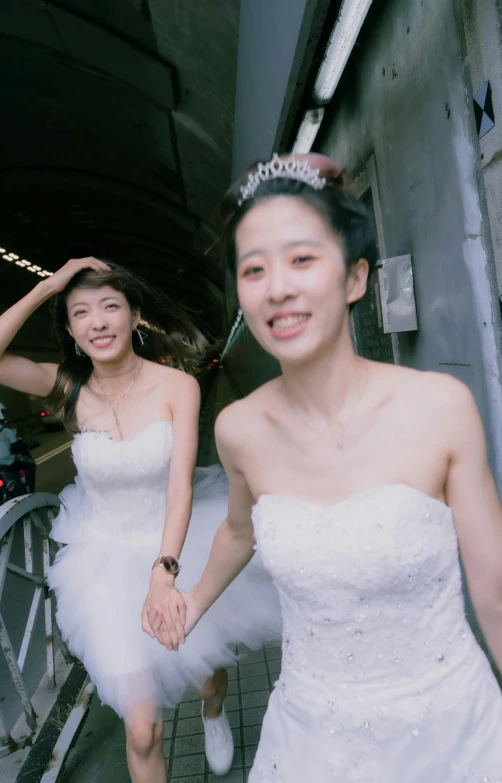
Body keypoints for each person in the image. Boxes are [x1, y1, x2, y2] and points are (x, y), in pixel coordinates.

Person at [151, 153, 502, 782]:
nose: (278, 286)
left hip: (450, 731)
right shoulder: (239, 430)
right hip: (313, 733)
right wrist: (191, 601)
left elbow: (496, 590)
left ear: (356, 278)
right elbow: (240, 528)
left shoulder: (442, 408)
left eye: (303, 259)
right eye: (254, 269)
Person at [0, 258, 281, 783]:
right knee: (142, 730)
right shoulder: (67, 390)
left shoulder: (176, 386)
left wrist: (164, 571)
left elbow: (179, 485)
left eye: (110, 307)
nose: (97, 321)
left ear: (135, 316)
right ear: (70, 330)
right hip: (99, 563)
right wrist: (48, 285)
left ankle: (213, 711)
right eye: (81, 312)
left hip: (173, 545)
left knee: (207, 677)